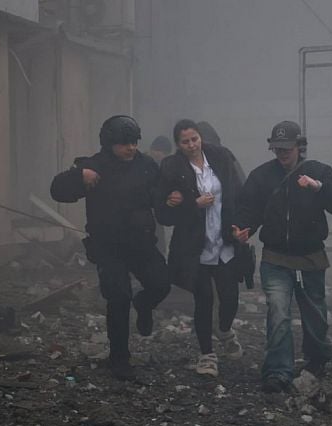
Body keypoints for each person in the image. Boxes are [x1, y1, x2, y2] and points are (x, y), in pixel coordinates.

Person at [233, 120, 332, 393]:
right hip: (275, 257)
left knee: (315, 314)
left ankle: (318, 360)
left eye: (287, 147)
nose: (282, 152)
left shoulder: (318, 171)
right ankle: (278, 371)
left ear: (300, 146)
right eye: (278, 148)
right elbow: (248, 208)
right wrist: (241, 228)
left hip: (311, 256)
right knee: (278, 312)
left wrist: (319, 187)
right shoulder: (261, 176)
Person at [50, 115, 170, 381]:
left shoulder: (146, 166)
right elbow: (57, 190)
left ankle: (144, 304)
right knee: (118, 298)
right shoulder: (95, 166)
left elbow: (162, 194)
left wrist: (174, 198)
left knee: (161, 283)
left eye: (134, 142)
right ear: (110, 143)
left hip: (141, 244)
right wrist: (79, 176)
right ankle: (119, 359)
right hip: (109, 247)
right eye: (124, 143)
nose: (131, 148)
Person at [155, 119, 244, 377]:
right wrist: (191, 204)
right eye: (185, 142)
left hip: (224, 241)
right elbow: (163, 213)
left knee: (230, 297)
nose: (192, 145)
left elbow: (238, 194)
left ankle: (224, 330)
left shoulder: (221, 157)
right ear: (178, 144)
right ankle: (207, 355)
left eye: (194, 139)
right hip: (195, 247)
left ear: (201, 137)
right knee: (204, 299)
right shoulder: (172, 168)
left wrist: (240, 227)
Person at [147, 135, 173, 254]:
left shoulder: (165, 166)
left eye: (164, 153)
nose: (160, 155)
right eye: (158, 150)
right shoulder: (142, 163)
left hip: (157, 212)